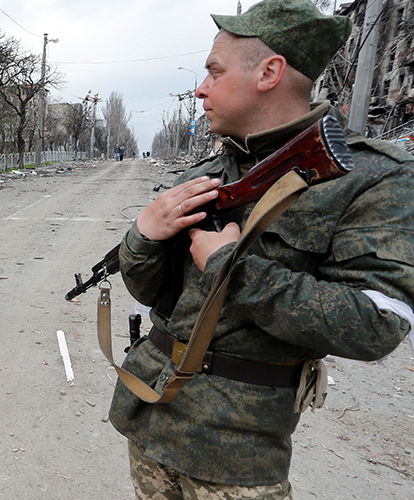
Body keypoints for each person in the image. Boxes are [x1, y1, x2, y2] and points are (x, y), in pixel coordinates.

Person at [109, 0, 414, 497]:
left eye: (214, 71)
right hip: (151, 417)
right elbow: (152, 296)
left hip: (238, 452)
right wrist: (143, 236)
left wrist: (234, 270)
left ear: (269, 73)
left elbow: (375, 323)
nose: (200, 88)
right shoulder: (205, 175)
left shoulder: (371, 176)